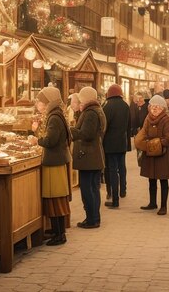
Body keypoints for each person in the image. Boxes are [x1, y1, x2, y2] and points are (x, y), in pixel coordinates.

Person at [32, 86, 72, 246]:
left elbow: (51, 141)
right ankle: (56, 231)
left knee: (56, 198)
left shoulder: (54, 117)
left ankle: (60, 234)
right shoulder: (56, 114)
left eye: (41, 101)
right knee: (54, 197)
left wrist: (36, 140)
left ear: (48, 102)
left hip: (54, 162)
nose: (39, 105)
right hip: (55, 161)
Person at [134, 95, 169, 215]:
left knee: (163, 180)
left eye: (157, 107)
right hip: (150, 153)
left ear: (163, 108)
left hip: (163, 154)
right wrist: (141, 142)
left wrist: (157, 143)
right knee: (151, 178)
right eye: (152, 106)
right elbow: (143, 132)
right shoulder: (148, 118)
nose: (154, 109)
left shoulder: (167, 119)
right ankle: (152, 203)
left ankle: (163, 206)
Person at [71, 86, 106, 229]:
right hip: (93, 155)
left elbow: (87, 134)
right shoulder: (96, 110)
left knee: (88, 188)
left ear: (85, 98)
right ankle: (94, 218)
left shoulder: (91, 112)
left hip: (89, 155)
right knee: (93, 188)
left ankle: (92, 219)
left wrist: (72, 130)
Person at [102, 84, 130, 208]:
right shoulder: (125, 106)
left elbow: (104, 126)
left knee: (112, 170)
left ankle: (115, 198)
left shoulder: (107, 106)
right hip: (122, 142)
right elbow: (129, 124)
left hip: (110, 143)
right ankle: (123, 190)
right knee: (122, 167)